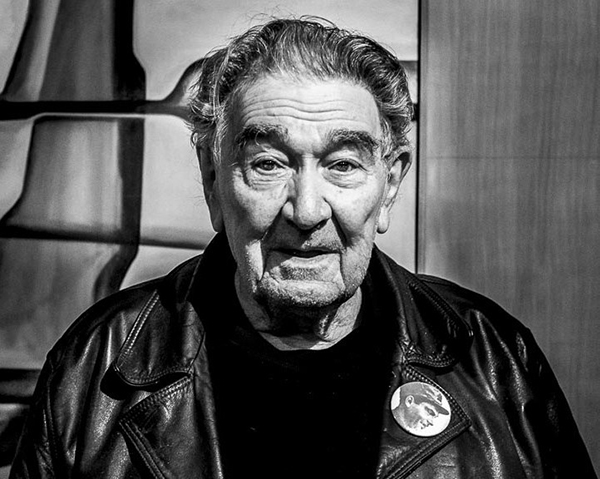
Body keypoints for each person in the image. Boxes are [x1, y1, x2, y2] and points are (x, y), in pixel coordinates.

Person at [10, 17, 597, 479]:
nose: (308, 210)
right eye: (268, 164)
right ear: (213, 181)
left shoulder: (495, 360)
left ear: (390, 184)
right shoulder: (97, 367)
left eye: (343, 164)